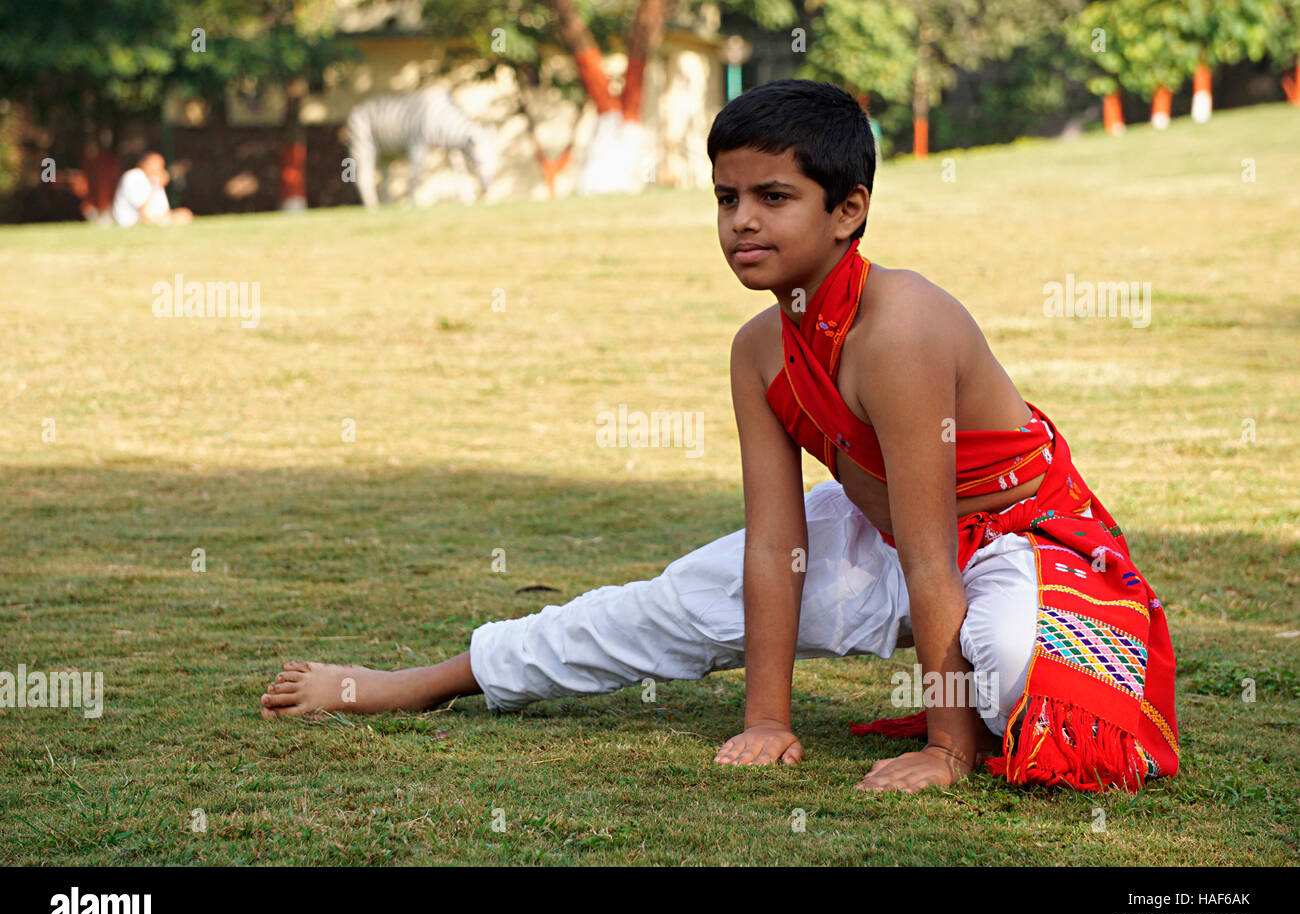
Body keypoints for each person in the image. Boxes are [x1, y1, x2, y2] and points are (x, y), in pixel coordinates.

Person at [260, 80, 1179, 795]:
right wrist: (768, 719)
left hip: (1023, 543)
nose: (742, 219)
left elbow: (935, 557)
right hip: (893, 534)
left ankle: (985, 712)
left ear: (847, 210)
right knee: (670, 605)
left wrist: (945, 749)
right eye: (726, 196)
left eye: (774, 196)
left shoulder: (902, 330)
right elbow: (778, 543)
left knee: (1012, 660)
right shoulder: (758, 351)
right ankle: (422, 681)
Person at [111, 151, 193, 227]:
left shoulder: (154, 180)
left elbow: (164, 211)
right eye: (155, 165)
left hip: (153, 219)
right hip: (133, 222)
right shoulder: (134, 176)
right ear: (143, 164)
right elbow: (143, 212)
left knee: (185, 214)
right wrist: (155, 187)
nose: (159, 169)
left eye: (161, 166)